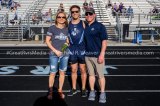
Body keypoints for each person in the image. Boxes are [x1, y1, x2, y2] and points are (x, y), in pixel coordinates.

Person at [84, 8, 107, 103]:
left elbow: (104, 41)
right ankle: (92, 91)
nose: (88, 15)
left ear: (94, 15)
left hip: (97, 55)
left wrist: (102, 54)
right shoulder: (85, 26)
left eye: (90, 14)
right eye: (87, 14)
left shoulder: (100, 26)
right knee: (91, 75)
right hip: (87, 55)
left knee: (100, 76)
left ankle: (102, 93)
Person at [46, 11, 69, 100]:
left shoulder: (67, 29)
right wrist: (56, 51)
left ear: (65, 19)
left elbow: (67, 42)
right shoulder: (52, 28)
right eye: (59, 17)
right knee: (52, 73)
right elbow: (47, 41)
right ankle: (50, 92)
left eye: (63, 17)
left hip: (65, 54)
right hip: (53, 54)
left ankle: (60, 90)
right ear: (56, 18)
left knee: (62, 73)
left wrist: (62, 50)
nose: (61, 18)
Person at [67, 5, 87, 97]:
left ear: (79, 12)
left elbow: (88, 37)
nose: (75, 13)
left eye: (76, 11)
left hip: (82, 50)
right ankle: (74, 88)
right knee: (73, 70)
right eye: (73, 12)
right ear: (71, 13)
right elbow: (66, 39)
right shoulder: (68, 24)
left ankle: (83, 89)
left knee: (83, 70)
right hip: (72, 50)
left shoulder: (83, 23)